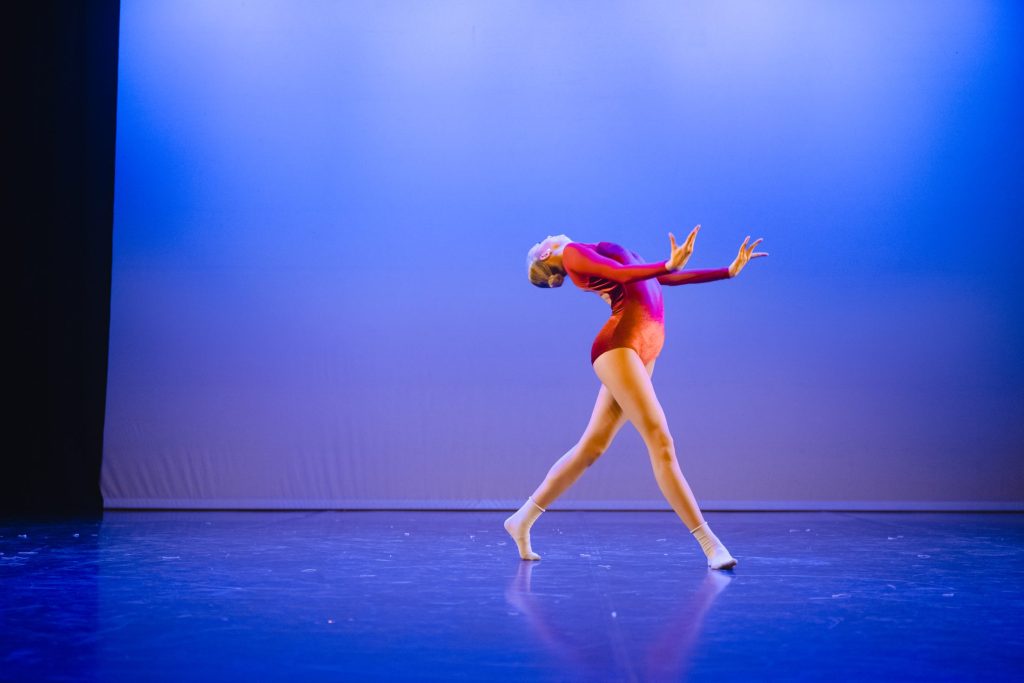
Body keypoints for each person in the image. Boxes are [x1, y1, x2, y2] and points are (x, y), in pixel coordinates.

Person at [505, 226, 768, 570]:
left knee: (591, 447)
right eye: (542, 241)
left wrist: (726, 272)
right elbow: (621, 274)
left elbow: (659, 279)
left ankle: (522, 518)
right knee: (661, 442)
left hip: (642, 345)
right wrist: (666, 264)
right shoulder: (571, 254)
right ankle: (710, 545)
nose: (549, 235)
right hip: (621, 344)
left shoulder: (590, 249)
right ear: (545, 254)